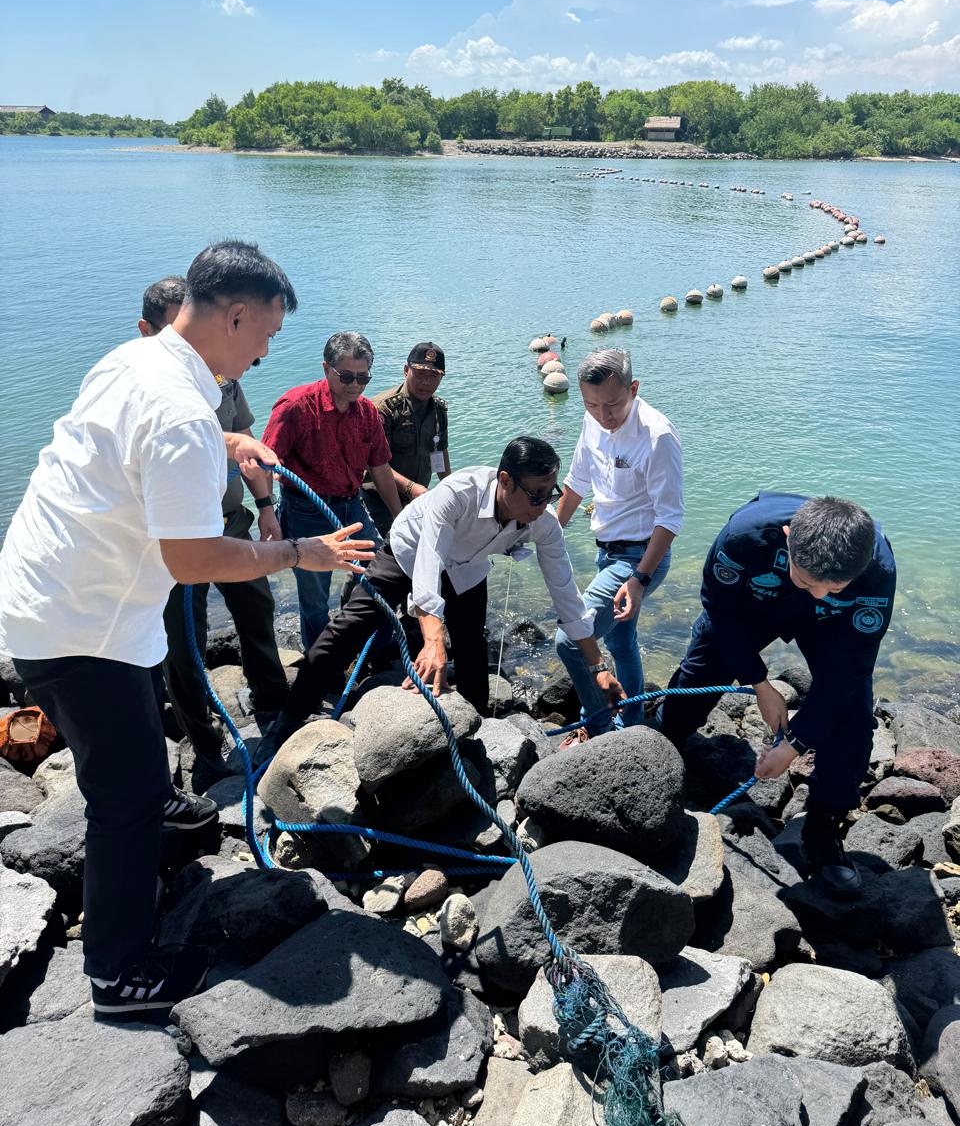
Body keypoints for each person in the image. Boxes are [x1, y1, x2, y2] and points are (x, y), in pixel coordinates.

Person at [0, 240, 374, 1014]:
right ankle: (117, 973)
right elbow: (197, 557)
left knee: (139, 730)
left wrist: (230, 439)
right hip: (81, 628)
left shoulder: (140, 362)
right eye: (267, 333)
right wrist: (301, 551)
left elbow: (143, 450)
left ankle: (155, 811)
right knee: (125, 800)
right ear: (234, 316)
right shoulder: (179, 412)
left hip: (57, 596)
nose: (270, 350)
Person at [267, 437, 624, 743]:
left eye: (551, 493)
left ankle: (477, 727)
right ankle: (287, 720)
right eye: (536, 495)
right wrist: (433, 638)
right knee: (348, 627)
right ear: (505, 481)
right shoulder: (458, 493)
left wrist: (597, 667)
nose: (545, 505)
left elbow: (567, 597)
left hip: (467, 565)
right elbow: (428, 562)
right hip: (409, 551)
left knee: (471, 644)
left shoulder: (542, 523)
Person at [657, 492, 896, 898]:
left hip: (834, 623)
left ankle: (823, 830)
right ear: (787, 537)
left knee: (853, 717)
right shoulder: (744, 538)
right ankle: (661, 746)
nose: (819, 592)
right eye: (809, 581)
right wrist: (759, 682)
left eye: (834, 585)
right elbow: (720, 607)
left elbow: (847, 673)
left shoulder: (875, 569)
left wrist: (797, 743)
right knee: (702, 670)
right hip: (757, 598)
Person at [139, 277, 290, 791]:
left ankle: (272, 706)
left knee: (257, 609)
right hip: (177, 544)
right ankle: (203, 746)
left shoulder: (223, 381)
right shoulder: (155, 390)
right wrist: (299, 553)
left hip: (231, 521)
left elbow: (243, 444)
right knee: (184, 644)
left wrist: (266, 506)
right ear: (152, 331)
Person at [553, 349, 683, 745]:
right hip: (607, 551)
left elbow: (670, 519)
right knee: (620, 640)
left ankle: (597, 726)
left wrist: (640, 580)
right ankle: (634, 720)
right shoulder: (591, 421)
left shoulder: (657, 436)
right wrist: (544, 537)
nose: (603, 416)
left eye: (613, 404)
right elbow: (575, 484)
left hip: (641, 557)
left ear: (634, 389)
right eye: (592, 404)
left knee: (573, 640)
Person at [262, 332, 402, 650]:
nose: (355, 385)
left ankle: (372, 645)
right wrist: (266, 511)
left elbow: (380, 468)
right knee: (314, 593)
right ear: (327, 369)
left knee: (379, 571)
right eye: (347, 376)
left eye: (363, 377)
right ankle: (321, 665)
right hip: (305, 511)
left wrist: (398, 517)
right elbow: (265, 462)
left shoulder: (367, 413)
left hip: (352, 506)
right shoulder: (295, 406)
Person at [363, 341, 451, 536]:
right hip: (378, 500)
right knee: (381, 558)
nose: (426, 382)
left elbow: (440, 455)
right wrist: (410, 488)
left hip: (416, 498)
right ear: (406, 370)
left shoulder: (438, 410)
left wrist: (452, 491)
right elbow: (374, 464)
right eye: (420, 374)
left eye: (434, 376)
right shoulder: (383, 408)